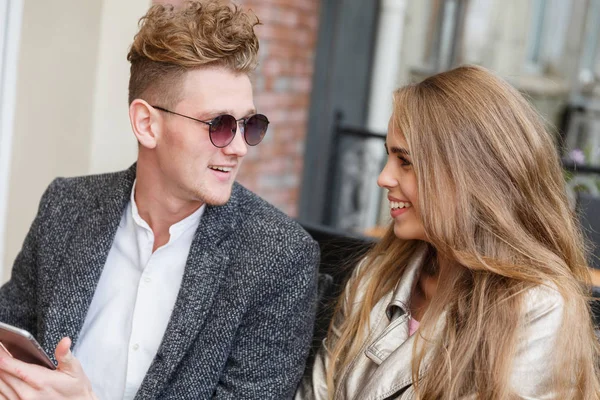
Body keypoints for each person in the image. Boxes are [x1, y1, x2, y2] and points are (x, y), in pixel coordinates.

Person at [0, 1, 320, 399]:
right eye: (219, 125)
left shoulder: (279, 257)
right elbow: (9, 332)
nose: (239, 147)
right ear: (147, 123)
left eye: (250, 125)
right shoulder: (66, 206)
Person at [297, 65, 600, 399]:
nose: (384, 177)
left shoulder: (536, 309)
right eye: (389, 157)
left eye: (406, 161)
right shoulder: (374, 278)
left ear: (471, 175)